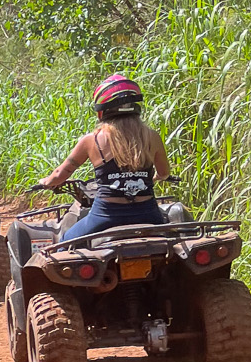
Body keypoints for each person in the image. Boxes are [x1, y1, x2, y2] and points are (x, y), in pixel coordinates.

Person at [39, 74, 171, 241]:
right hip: (148, 214)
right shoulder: (152, 136)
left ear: (102, 110)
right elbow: (164, 172)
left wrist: (46, 182)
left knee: (66, 242)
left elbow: (60, 174)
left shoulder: (91, 140)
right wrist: (156, 177)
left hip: (106, 216)